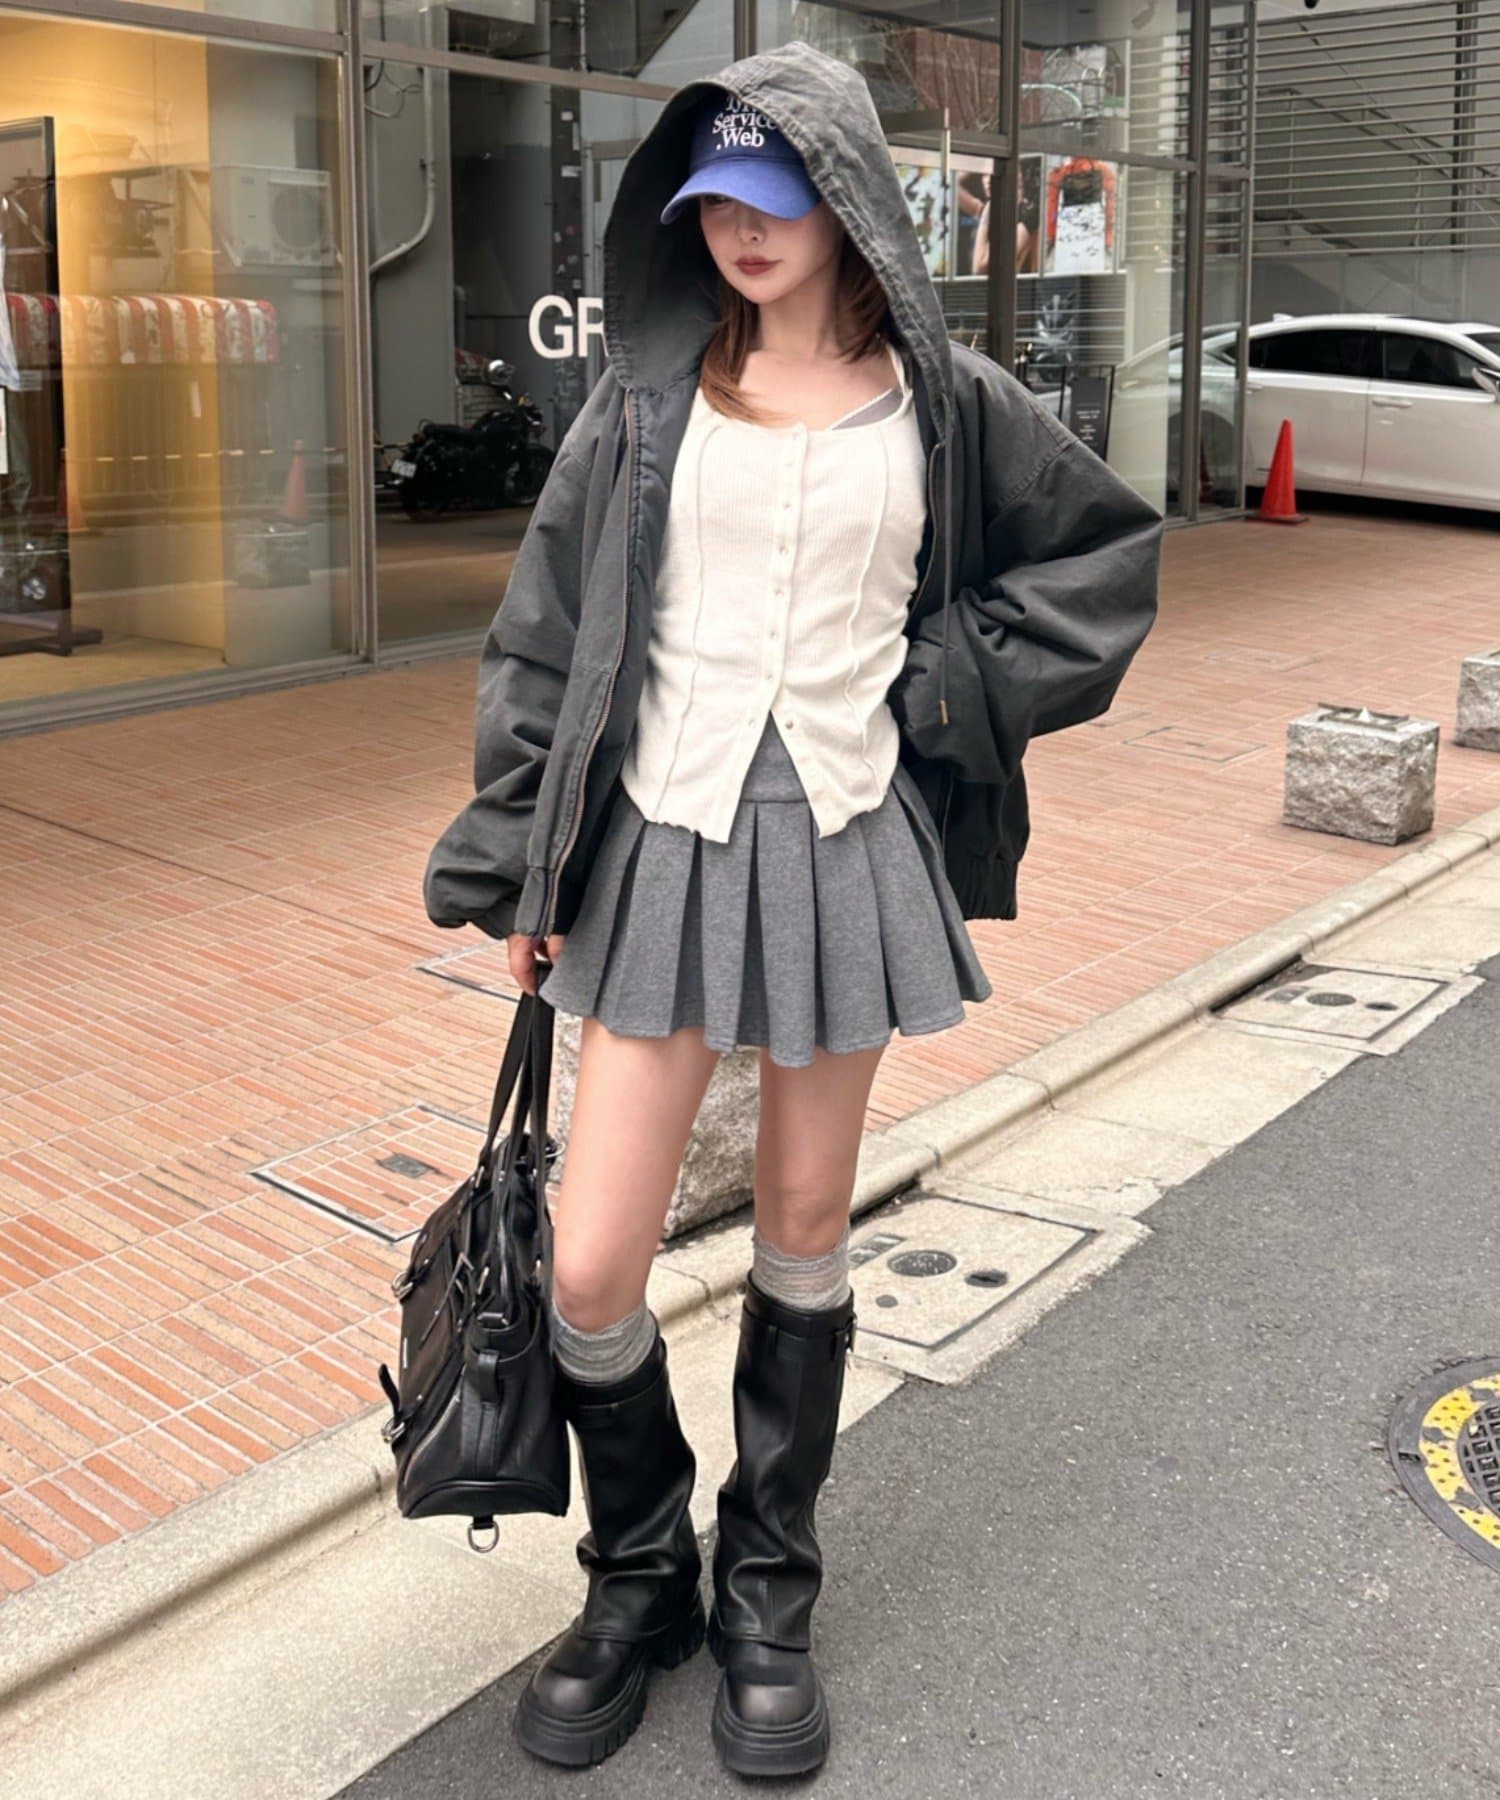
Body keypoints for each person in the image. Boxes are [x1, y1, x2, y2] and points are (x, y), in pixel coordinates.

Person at [423, 40, 1163, 1779]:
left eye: (775, 199)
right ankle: (640, 1573)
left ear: (844, 203)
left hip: (843, 838)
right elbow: (546, 635)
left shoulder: (946, 401)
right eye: (715, 205)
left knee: (808, 1220)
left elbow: (1101, 559)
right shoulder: (644, 400)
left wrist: (944, 688)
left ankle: (768, 1587)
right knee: (592, 1259)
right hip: (662, 843)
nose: (742, 234)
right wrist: (521, 855)